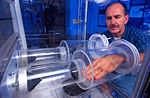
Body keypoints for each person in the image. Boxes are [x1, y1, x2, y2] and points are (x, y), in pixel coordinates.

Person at [87, 1, 150, 96]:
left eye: (117, 17)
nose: (113, 22)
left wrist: (122, 58)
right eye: (109, 18)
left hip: (128, 81)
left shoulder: (139, 36)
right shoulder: (103, 37)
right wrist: (103, 84)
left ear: (126, 19)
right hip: (107, 80)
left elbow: (147, 57)